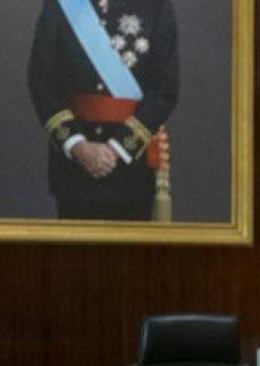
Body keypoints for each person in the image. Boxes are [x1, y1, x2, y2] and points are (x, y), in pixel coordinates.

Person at [28, 0, 179, 220]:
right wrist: (77, 145)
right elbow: (42, 81)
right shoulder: (61, 4)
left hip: (132, 170)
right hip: (74, 170)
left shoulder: (155, 6)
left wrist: (119, 147)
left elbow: (164, 89)